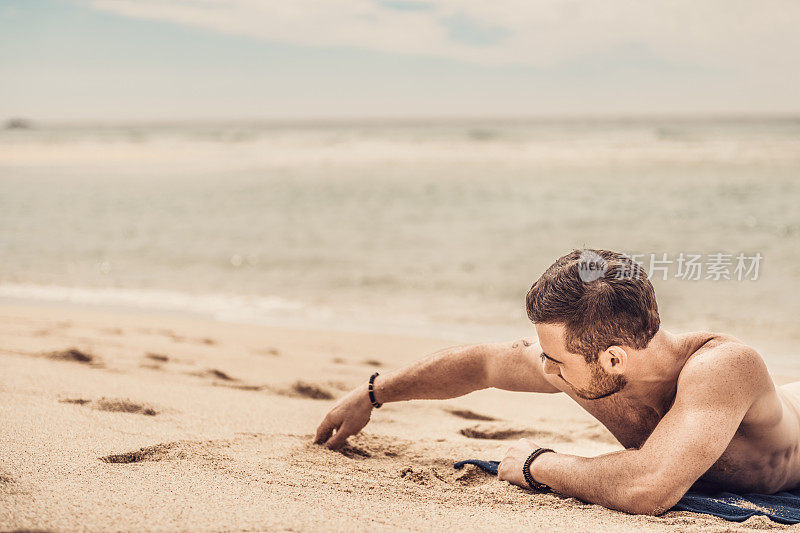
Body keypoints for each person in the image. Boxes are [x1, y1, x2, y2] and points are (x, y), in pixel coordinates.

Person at [314, 249, 800, 515]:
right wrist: (373, 393)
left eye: (555, 359)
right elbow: (482, 364)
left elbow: (649, 488)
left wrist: (538, 464)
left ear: (613, 358)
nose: (544, 369)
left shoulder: (723, 367)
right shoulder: (587, 365)